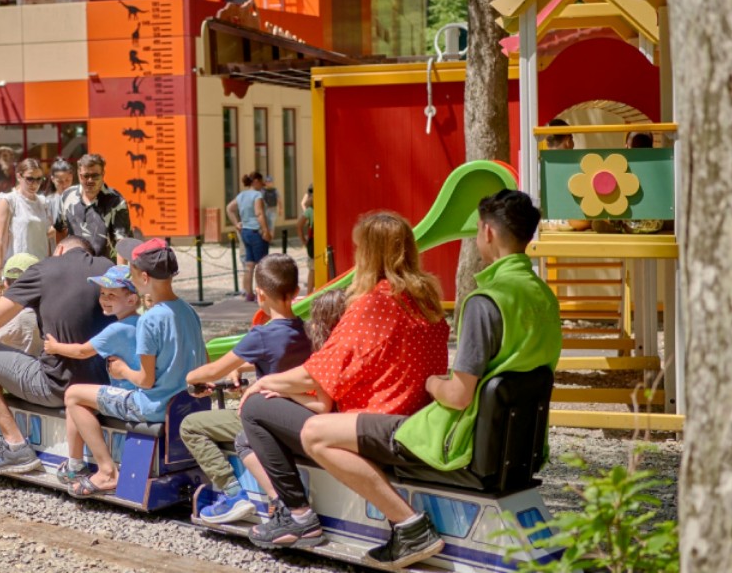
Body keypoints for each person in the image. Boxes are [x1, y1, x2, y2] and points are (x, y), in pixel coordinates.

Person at [300, 190, 563, 569]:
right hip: (519, 443)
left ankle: (409, 527)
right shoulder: (544, 297)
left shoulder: (487, 301)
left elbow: (458, 396)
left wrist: (431, 384)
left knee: (314, 433)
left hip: (456, 439)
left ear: (488, 232)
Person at [238, 211, 450, 550]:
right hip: (412, 417)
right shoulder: (427, 302)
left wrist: (265, 383)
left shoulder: (374, 303)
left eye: (359, 249)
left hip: (375, 422)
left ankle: (297, 516)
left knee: (255, 408)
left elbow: (315, 372)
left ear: (370, 255)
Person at [0, 236, 114, 473]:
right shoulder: (108, 267)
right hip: (102, 383)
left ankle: (15, 444)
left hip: (55, 385)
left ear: (59, 249)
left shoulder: (44, 269)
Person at [60, 238, 204, 497]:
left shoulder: (150, 320)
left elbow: (145, 381)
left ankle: (106, 470)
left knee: (73, 395)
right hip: (182, 403)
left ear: (144, 278)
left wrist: (122, 370)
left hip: (151, 406)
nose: (130, 274)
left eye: (132, 271)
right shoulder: (188, 310)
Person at [180, 254, 313, 524]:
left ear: (259, 294)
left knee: (191, 426)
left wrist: (190, 376)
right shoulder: (306, 330)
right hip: (299, 413)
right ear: (296, 291)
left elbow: (213, 371)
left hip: (267, 419)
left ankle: (232, 493)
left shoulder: (261, 334)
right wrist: (242, 368)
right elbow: (280, 358)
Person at [43, 264, 142, 485]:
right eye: (103, 294)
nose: (104, 299)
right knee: (77, 400)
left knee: (73, 394)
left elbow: (81, 351)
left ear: (131, 299)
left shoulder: (117, 329)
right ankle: (74, 465)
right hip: (135, 391)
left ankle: (102, 467)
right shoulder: (139, 321)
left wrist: (55, 347)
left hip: (130, 397)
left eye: (112, 295)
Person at [52, 153, 132, 258]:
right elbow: (60, 229)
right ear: (79, 174)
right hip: (74, 263)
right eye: (86, 176)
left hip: (105, 266)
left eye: (95, 176)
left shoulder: (116, 201)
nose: (90, 180)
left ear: (103, 174)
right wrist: (60, 260)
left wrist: (121, 268)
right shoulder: (67, 196)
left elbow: (122, 243)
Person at [0, 158, 54, 276]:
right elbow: (0, 240)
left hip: (41, 268)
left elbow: (46, 240)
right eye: (30, 179)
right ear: (19, 176)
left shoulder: (43, 203)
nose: (34, 184)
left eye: (39, 179)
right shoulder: (8, 201)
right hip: (17, 270)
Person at [226, 172, 272, 301]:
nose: (262, 184)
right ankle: (261, 295)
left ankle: (249, 293)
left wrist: (237, 223)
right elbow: (259, 213)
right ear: (256, 181)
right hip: (256, 231)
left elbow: (229, 208)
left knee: (249, 264)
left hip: (245, 231)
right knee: (262, 265)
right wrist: (266, 231)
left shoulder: (241, 195)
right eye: (261, 181)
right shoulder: (257, 195)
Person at [45, 158, 74, 234]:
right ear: (52, 179)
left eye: (67, 180)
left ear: (72, 177)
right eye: (60, 181)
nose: (64, 185)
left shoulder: (80, 199)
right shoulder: (47, 202)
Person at [297, 185, 315, 294]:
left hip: (313, 242)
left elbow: (299, 225)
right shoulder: (312, 210)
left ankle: (309, 293)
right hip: (318, 243)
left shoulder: (310, 210)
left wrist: (303, 240)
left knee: (312, 268)